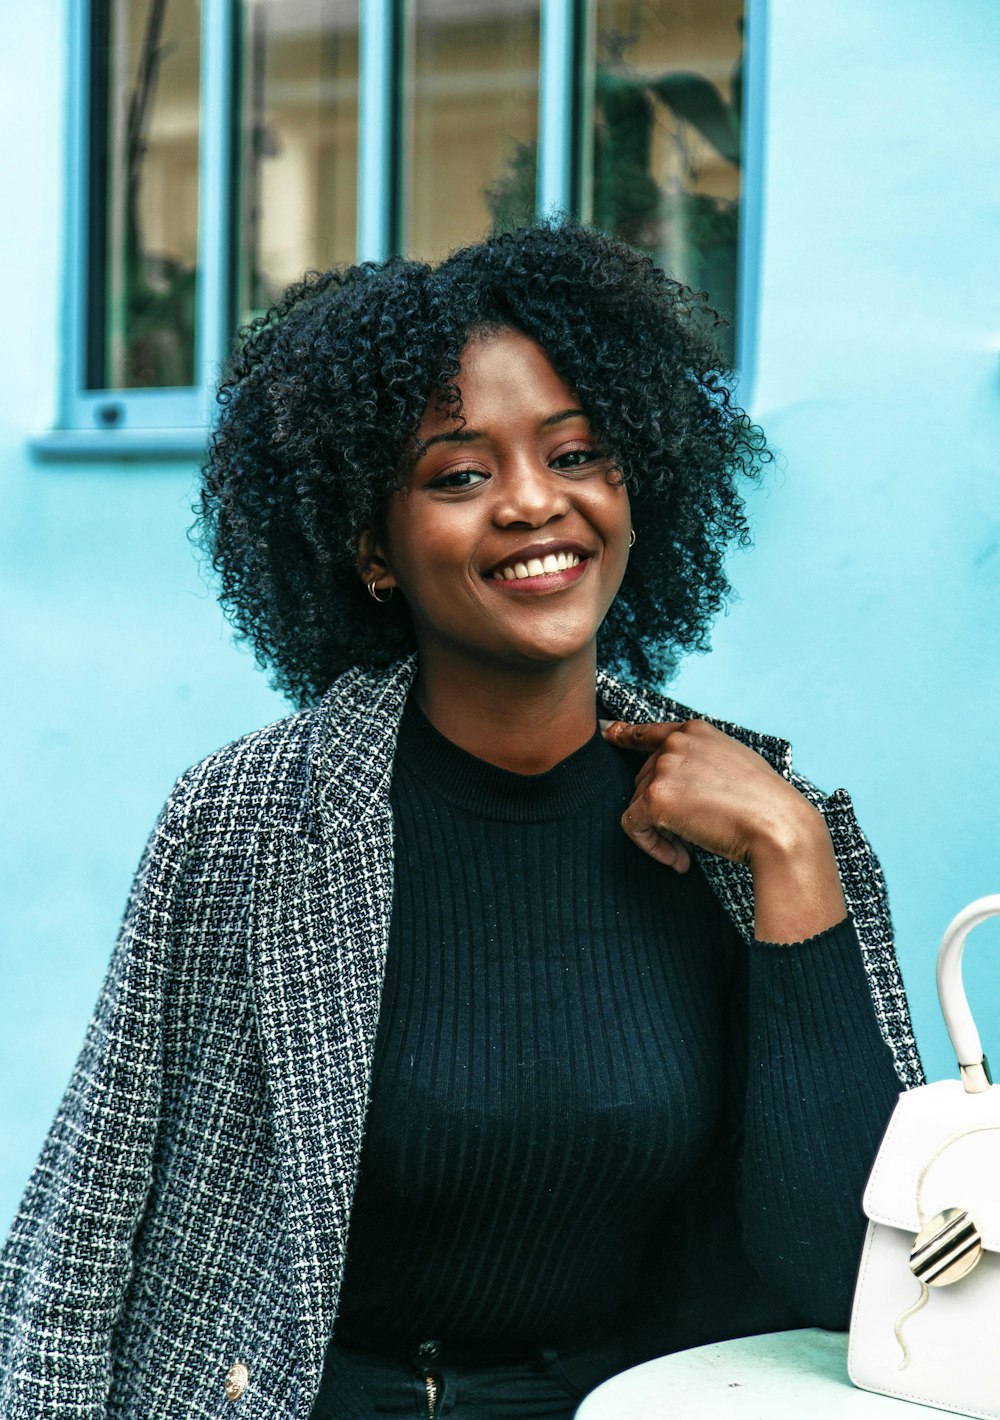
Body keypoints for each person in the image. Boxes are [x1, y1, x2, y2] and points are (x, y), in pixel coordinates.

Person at [0, 223, 921, 1420]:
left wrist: (796, 864)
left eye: (577, 453)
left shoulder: (757, 826)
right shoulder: (251, 824)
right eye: (459, 474)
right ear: (373, 547)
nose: (536, 504)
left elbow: (862, 1280)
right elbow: (85, 1233)